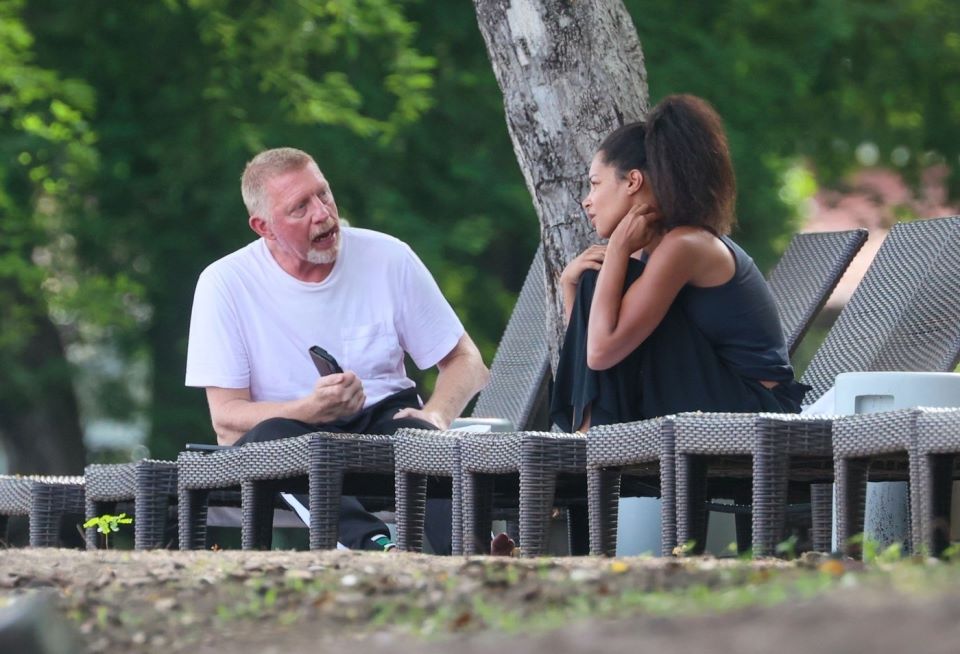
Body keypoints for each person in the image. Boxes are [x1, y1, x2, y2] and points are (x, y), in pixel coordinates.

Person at [185, 147, 489, 552]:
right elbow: (225, 417)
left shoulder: (387, 256)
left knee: (422, 439)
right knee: (286, 441)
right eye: (299, 208)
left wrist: (436, 414)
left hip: (382, 426)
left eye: (323, 194)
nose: (323, 214)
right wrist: (307, 411)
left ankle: (477, 556)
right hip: (285, 434)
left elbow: (467, 361)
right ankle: (376, 550)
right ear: (264, 227)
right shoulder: (224, 282)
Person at [550, 94, 808, 432]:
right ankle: (588, 451)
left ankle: (587, 456)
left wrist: (615, 250)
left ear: (633, 181)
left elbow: (600, 353)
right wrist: (572, 286)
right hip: (717, 403)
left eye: (595, 184)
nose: (587, 201)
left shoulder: (685, 245)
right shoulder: (653, 250)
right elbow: (592, 357)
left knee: (604, 284)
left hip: (756, 410)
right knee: (595, 282)